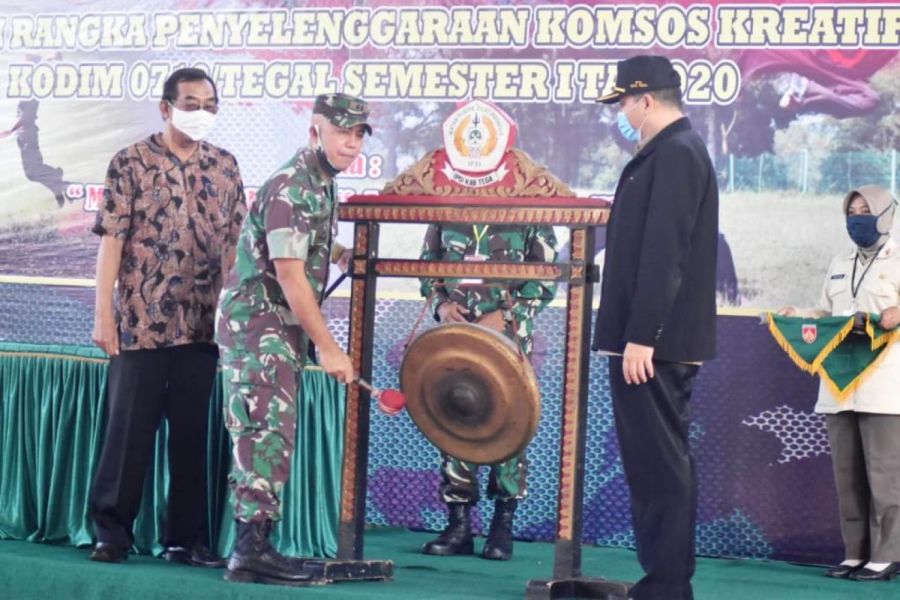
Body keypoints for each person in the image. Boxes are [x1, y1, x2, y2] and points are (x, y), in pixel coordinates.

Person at [89, 68, 246, 566]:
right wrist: (104, 315)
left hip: (202, 325)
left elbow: (235, 246)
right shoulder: (130, 162)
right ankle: (111, 534)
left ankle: (187, 540)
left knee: (191, 436)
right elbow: (112, 242)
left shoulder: (224, 166)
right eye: (191, 104)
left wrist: (234, 313)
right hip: (141, 321)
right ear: (166, 107)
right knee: (127, 433)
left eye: (210, 105)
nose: (202, 113)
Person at [215, 93, 369, 586]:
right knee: (263, 433)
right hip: (258, 328)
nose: (352, 142)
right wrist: (328, 346)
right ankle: (250, 552)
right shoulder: (293, 184)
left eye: (359, 133)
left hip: (276, 329)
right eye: (342, 131)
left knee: (271, 433)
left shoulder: (321, 182)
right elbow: (289, 274)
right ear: (315, 131)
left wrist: (338, 252)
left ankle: (258, 546)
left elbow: (298, 237)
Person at [592, 55, 719, 600]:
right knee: (649, 463)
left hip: (654, 344)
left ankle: (667, 585)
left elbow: (666, 252)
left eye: (624, 102)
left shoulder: (676, 153)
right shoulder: (664, 152)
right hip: (647, 340)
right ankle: (662, 580)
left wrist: (643, 334)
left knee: (660, 463)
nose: (622, 113)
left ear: (645, 99)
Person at [779, 185, 900, 582]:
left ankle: (888, 554)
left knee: (885, 474)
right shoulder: (839, 261)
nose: (857, 218)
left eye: (866, 210)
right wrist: (798, 314)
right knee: (846, 474)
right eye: (852, 211)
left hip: (885, 384)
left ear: (885, 214)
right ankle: (855, 552)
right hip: (838, 385)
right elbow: (826, 312)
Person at [418, 222, 558, 561]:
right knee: (455, 417)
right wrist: (442, 306)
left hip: (507, 339)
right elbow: (426, 268)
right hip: (457, 336)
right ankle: (458, 526)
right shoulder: (444, 213)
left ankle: (502, 527)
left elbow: (545, 279)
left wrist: (506, 315)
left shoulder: (532, 214)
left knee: (509, 424)